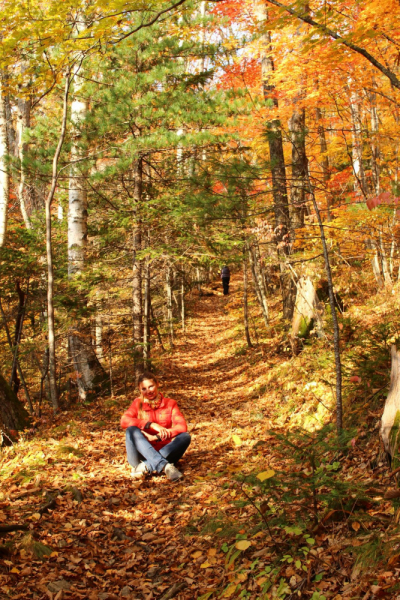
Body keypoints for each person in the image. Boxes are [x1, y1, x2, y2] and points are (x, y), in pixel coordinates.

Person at [120, 371, 191, 481]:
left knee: (185, 437)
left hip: (165, 450)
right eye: (144, 389)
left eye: (151, 386)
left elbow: (181, 426)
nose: (148, 391)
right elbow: (124, 420)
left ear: (157, 384)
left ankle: (145, 466)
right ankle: (165, 466)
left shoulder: (170, 404)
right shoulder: (137, 403)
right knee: (131, 430)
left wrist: (157, 437)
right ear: (139, 390)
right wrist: (150, 425)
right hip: (139, 455)